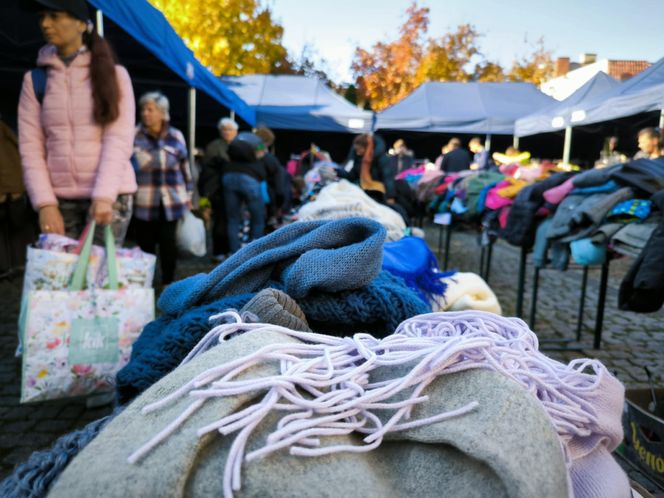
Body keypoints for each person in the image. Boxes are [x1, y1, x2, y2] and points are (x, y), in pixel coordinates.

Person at [18, 0, 136, 245]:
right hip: (59, 201)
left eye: (54, 16)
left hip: (112, 197)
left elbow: (119, 139)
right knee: (60, 280)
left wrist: (104, 196)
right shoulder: (35, 80)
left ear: (82, 23)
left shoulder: (114, 75)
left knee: (102, 280)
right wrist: (45, 204)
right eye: (42, 16)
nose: (45, 24)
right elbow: (30, 147)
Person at [133, 92, 192, 285]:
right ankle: (146, 282)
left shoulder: (176, 135)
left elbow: (185, 167)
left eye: (150, 109)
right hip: (144, 200)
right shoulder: (133, 135)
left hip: (172, 200)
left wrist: (189, 193)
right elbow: (134, 165)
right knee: (145, 244)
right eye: (143, 109)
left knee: (169, 243)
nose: (145, 113)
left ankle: (168, 281)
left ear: (162, 113)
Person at [0, 117, 36, 278]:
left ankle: (16, 264)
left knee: (17, 225)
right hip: (14, 186)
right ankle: (16, 264)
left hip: (12, 187)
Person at [223, 132, 269, 254]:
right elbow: (262, 155)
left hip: (228, 176)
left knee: (233, 219)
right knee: (258, 219)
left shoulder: (237, 140)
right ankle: (255, 253)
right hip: (249, 179)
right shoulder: (257, 142)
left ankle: (234, 254)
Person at [200, 117, 238, 262]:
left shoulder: (240, 145)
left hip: (234, 189)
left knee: (232, 220)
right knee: (221, 221)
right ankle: (219, 251)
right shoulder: (214, 146)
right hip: (218, 190)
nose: (227, 132)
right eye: (224, 129)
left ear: (235, 131)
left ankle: (230, 249)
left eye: (230, 129)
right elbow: (207, 171)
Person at [340, 134, 397, 204]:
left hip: (379, 194)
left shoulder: (381, 159)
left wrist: (390, 196)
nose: (357, 153)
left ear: (366, 147)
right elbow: (352, 175)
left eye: (359, 150)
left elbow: (388, 178)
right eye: (356, 150)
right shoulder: (358, 159)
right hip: (363, 191)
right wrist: (338, 172)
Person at [253, 126, 287, 229]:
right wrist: (279, 204)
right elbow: (279, 188)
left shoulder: (249, 154)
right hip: (267, 198)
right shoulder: (270, 159)